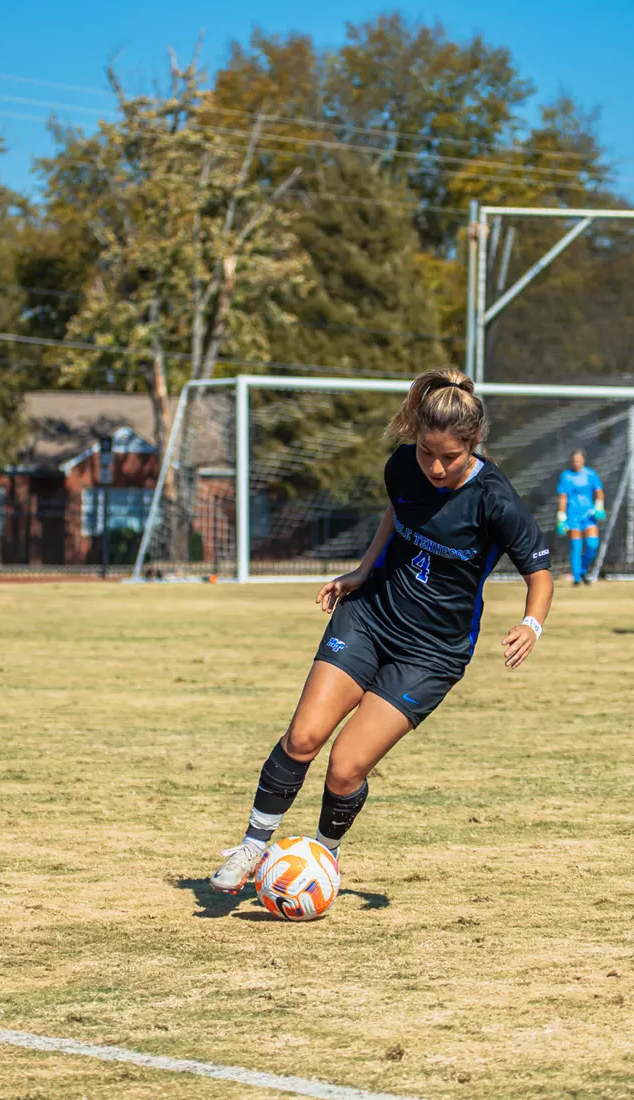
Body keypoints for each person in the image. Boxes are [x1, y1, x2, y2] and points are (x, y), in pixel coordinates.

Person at [209, 367, 554, 894]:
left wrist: (531, 623)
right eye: (425, 453)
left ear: (474, 443)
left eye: (450, 458)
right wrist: (362, 570)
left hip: (432, 653)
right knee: (303, 736)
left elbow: (540, 576)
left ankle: (322, 858)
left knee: (346, 767)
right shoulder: (402, 466)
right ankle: (254, 845)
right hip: (369, 618)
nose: (435, 467)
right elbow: (396, 513)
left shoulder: (496, 500)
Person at [555, 450, 605, 585]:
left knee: (592, 545)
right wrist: (561, 516)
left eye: (579, 460)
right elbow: (563, 497)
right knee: (576, 546)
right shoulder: (566, 476)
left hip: (589, 515)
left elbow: (599, 492)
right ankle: (577, 578)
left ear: (583, 460)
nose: (576, 462)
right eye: (574, 460)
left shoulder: (590, 474)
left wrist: (599, 506)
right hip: (573, 515)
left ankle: (583, 569)